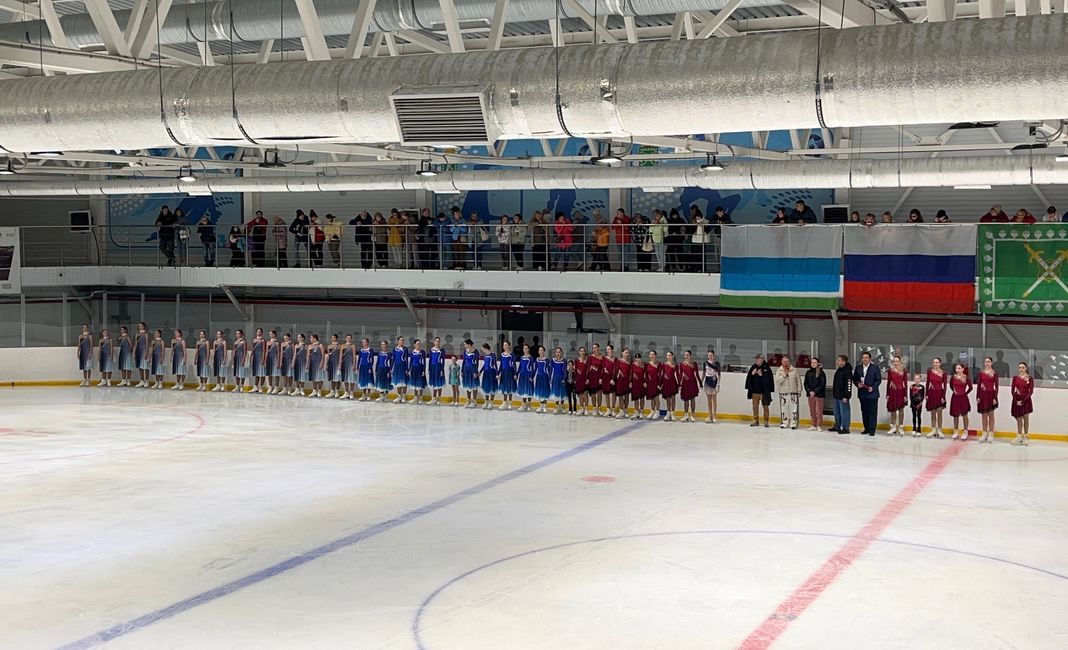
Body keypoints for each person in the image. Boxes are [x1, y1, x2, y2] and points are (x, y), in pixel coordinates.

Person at [853, 351, 881, 436]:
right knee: (864, 411)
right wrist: (858, 384)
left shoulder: (875, 368)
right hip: (862, 393)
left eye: (866, 357)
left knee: (872, 412)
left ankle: (872, 430)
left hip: (872, 394)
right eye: (863, 357)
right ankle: (866, 428)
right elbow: (855, 379)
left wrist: (873, 387)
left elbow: (878, 380)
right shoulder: (858, 368)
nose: (865, 359)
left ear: (870, 359)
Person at [745, 353, 774, 427]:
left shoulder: (766, 368)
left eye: (757, 359)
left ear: (762, 359)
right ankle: (756, 420)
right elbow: (749, 379)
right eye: (756, 359)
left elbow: (769, 380)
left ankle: (766, 421)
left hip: (764, 392)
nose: (756, 360)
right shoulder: (753, 367)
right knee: (755, 407)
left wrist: (762, 375)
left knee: (765, 407)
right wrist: (752, 374)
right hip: (755, 392)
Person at [976, 356, 999, 443]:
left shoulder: (994, 373)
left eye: (988, 362)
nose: (987, 363)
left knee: (991, 414)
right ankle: (984, 433)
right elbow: (979, 385)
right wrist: (978, 396)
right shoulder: (981, 373)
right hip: (982, 395)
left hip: (991, 395)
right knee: (984, 414)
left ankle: (991, 433)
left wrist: (995, 397)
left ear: (991, 363)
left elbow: (996, 386)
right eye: (985, 362)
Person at [775, 356, 802, 429]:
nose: (786, 363)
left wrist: (799, 390)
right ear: (782, 362)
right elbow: (778, 381)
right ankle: (784, 423)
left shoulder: (794, 370)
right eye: (784, 361)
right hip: (783, 393)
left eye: (787, 361)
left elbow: (798, 381)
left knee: (794, 409)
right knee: (784, 409)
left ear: (789, 362)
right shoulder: (779, 370)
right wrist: (785, 375)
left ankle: (793, 424)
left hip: (793, 392)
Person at [1011, 362, 1034, 445]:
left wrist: (1023, 400)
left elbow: (1031, 391)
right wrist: (1016, 400)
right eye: (1020, 367)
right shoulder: (1015, 378)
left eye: (1023, 367)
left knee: (1026, 418)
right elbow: (1012, 390)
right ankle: (1019, 436)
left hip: (1026, 400)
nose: (1021, 369)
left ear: (1026, 368)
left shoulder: (1029, 378)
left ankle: (1026, 436)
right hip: (1017, 400)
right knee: (1019, 419)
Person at [948, 362, 973, 440]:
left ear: (963, 369)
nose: (957, 370)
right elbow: (951, 386)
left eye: (959, 368)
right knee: (955, 415)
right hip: (955, 398)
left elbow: (970, 388)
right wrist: (955, 391)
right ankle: (956, 431)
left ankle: (965, 431)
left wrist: (965, 393)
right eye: (956, 368)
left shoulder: (966, 378)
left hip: (963, 398)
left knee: (964, 415)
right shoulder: (953, 377)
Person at [925, 357, 948, 438]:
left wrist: (943, 396)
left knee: (939, 412)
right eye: (934, 362)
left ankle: (939, 430)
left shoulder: (943, 373)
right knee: (933, 412)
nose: (935, 364)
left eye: (937, 362)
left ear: (940, 363)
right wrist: (926, 394)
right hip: (931, 393)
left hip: (939, 393)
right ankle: (933, 429)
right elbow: (927, 383)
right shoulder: (930, 371)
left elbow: (945, 386)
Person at [885, 356, 908, 436]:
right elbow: (888, 382)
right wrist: (887, 394)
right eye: (894, 361)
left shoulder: (904, 371)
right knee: (893, 410)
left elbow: (905, 383)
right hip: (892, 392)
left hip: (901, 391)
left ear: (900, 362)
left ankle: (900, 427)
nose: (895, 363)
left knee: (901, 410)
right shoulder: (890, 371)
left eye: (897, 361)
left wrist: (905, 395)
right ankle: (894, 427)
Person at [831, 355, 852, 434]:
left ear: (844, 361)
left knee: (844, 412)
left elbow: (849, 385)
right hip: (836, 395)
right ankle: (837, 425)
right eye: (838, 360)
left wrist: (846, 395)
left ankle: (846, 428)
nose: (839, 362)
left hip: (843, 396)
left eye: (840, 361)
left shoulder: (847, 371)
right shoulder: (839, 370)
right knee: (837, 412)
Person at [803, 356, 826, 432]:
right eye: (812, 362)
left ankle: (819, 425)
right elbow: (805, 383)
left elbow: (822, 384)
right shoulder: (808, 372)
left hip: (819, 395)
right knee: (812, 411)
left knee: (819, 411)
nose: (813, 364)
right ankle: (813, 424)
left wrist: (814, 392)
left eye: (815, 362)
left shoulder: (821, 373)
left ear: (818, 363)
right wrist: (809, 391)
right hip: (810, 395)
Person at [678, 349, 699, 422]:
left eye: (687, 355)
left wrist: (700, 383)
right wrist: (679, 384)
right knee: (685, 399)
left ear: (690, 355)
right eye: (685, 355)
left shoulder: (694, 364)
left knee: (693, 399)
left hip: (692, 383)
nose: (686, 356)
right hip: (685, 383)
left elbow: (697, 374)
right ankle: (686, 415)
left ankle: (693, 415)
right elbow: (680, 375)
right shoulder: (682, 364)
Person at [659, 351, 680, 422]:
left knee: (673, 397)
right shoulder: (664, 364)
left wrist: (679, 384)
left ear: (672, 356)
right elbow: (662, 374)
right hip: (666, 382)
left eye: (670, 355)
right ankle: (668, 413)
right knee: (668, 398)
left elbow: (678, 375)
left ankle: (672, 413)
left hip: (673, 382)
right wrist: (660, 383)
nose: (668, 357)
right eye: (667, 355)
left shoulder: (675, 364)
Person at [614, 348, 633, 418]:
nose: (627, 354)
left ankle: (626, 410)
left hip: (627, 381)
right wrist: (617, 374)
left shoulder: (630, 362)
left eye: (628, 353)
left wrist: (630, 381)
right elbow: (616, 370)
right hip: (620, 381)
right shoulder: (618, 361)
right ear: (622, 353)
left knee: (627, 396)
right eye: (626, 352)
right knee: (621, 396)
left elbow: (631, 373)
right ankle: (621, 411)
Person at [702, 350, 720, 423]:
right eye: (709, 355)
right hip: (707, 381)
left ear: (714, 355)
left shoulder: (717, 363)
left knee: (714, 399)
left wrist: (718, 384)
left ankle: (714, 416)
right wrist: (701, 382)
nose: (710, 357)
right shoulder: (705, 363)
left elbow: (719, 374)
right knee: (709, 399)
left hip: (714, 381)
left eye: (711, 355)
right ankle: (710, 416)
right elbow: (704, 373)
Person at [460, 339, 479, 408]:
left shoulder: (476, 352)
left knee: (474, 386)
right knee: (468, 386)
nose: (464, 345)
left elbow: (477, 363)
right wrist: (462, 371)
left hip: (473, 370)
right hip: (466, 370)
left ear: (469, 344)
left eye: (465, 344)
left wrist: (475, 372)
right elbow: (464, 361)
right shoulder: (465, 351)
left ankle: (474, 401)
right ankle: (468, 400)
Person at [479, 342, 498, 410]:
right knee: (486, 387)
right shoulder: (485, 356)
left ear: (485, 348)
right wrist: (480, 371)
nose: (482, 350)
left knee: (492, 387)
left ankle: (491, 402)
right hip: (486, 373)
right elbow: (485, 365)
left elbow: (495, 365)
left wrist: (497, 374)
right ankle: (486, 402)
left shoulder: (493, 355)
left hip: (491, 373)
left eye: (482, 348)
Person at [306, 333, 326, 398]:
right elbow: (308, 356)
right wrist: (307, 364)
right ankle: (314, 390)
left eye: (311, 338)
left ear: (314, 338)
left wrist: (321, 363)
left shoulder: (320, 345)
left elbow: (323, 356)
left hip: (319, 363)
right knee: (313, 376)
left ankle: (319, 390)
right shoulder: (310, 346)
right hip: (312, 363)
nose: (310, 339)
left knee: (320, 377)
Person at [516, 343, 535, 411]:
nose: (525, 350)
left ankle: (529, 405)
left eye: (526, 348)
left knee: (529, 389)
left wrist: (532, 377)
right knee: (523, 390)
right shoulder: (521, 357)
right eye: (524, 348)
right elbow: (520, 367)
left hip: (528, 375)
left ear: (529, 349)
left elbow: (532, 368)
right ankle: (523, 405)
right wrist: (517, 374)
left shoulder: (531, 357)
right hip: (522, 375)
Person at [550, 346, 568, 414]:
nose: (558, 353)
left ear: (561, 353)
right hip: (555, 378)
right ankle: (557, 407)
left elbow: (565, 371)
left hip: (562, 378)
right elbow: (551, 370)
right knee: (556, 392)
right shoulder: (553, 360)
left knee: (562, 392)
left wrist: (564, 379)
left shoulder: (564, 360)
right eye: (556, 352)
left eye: (559, 352)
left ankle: (562, 407)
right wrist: (550, 378)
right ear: (555, 353)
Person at [498, 340, 516, 410]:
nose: (504, 346)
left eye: (505, 345)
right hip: (503, 373)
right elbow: (501, 365)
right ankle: (504, 403)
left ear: (509, 346)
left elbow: (514, 365)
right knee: (504, 387)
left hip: (510, 372)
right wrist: (498, 373)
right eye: (503, 345)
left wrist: (515, 374)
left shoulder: (512, 354)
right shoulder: (502, 354)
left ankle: (510, 403)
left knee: (510, 387)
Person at [391, 336, 409, 404]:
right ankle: (399, 397)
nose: (402, 341)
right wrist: (391, 368)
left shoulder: (405, 349)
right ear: (398, 341)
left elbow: (406, 359)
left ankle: (404, 396)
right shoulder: (394, 349)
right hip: (396, 367)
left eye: (403, 340)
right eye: (401, 340)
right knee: (398, 382)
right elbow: (393, 359)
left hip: (403, 366)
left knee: (404, 382)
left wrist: (406, 368)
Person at [408, 339, 427, 404]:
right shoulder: (412, 352)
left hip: (420, 369)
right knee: (414, 384)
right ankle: (415, 398)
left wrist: (423, 370)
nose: (418, 345)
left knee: (420, 383)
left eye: (419, 344)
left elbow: (424, 362)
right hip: (413, 369)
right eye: (417, 344)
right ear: (414, 345)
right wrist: (409, 370)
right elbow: (411, 362)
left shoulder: (422, 352)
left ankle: (420, 398)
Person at [645, 350, 662, 420]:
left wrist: (659, 384)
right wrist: (646, 382)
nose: (651, 356)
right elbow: (646, 374)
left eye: (653, 354)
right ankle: (652, 411)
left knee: (656, 398)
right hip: (650, 383)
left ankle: (657, 412)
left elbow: (660, 375)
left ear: (655, 355)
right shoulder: (647, 364)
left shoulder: (659, 364)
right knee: (651, 397)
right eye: (650, 354)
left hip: (656, 383)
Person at [630, 351, 646, 420]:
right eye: (636, 358)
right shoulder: (633, 364)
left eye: (639, 358)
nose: (637, 359)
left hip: (642, 383)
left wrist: (645, 382)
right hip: (635, 383)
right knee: (636, 398)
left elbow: (646, 374)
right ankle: (636, 412)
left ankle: (641, 412)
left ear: (641, 358)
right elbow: (631, 373)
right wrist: (630, 382)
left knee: (642, 398)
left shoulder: (644, 364)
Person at [325, 334, 341, 398]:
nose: (332, 338)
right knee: (332, 377)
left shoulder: (339, 346)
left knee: (337, 378)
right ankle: (332, 391)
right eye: (331, 337)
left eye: (334, 337)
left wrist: (340, 364)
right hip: (330, 362)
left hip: (337, 363)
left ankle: (337, 391)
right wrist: (326, 364)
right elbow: (328, 355)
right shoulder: (329, 346)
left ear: (336, 338)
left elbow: (340, 355)